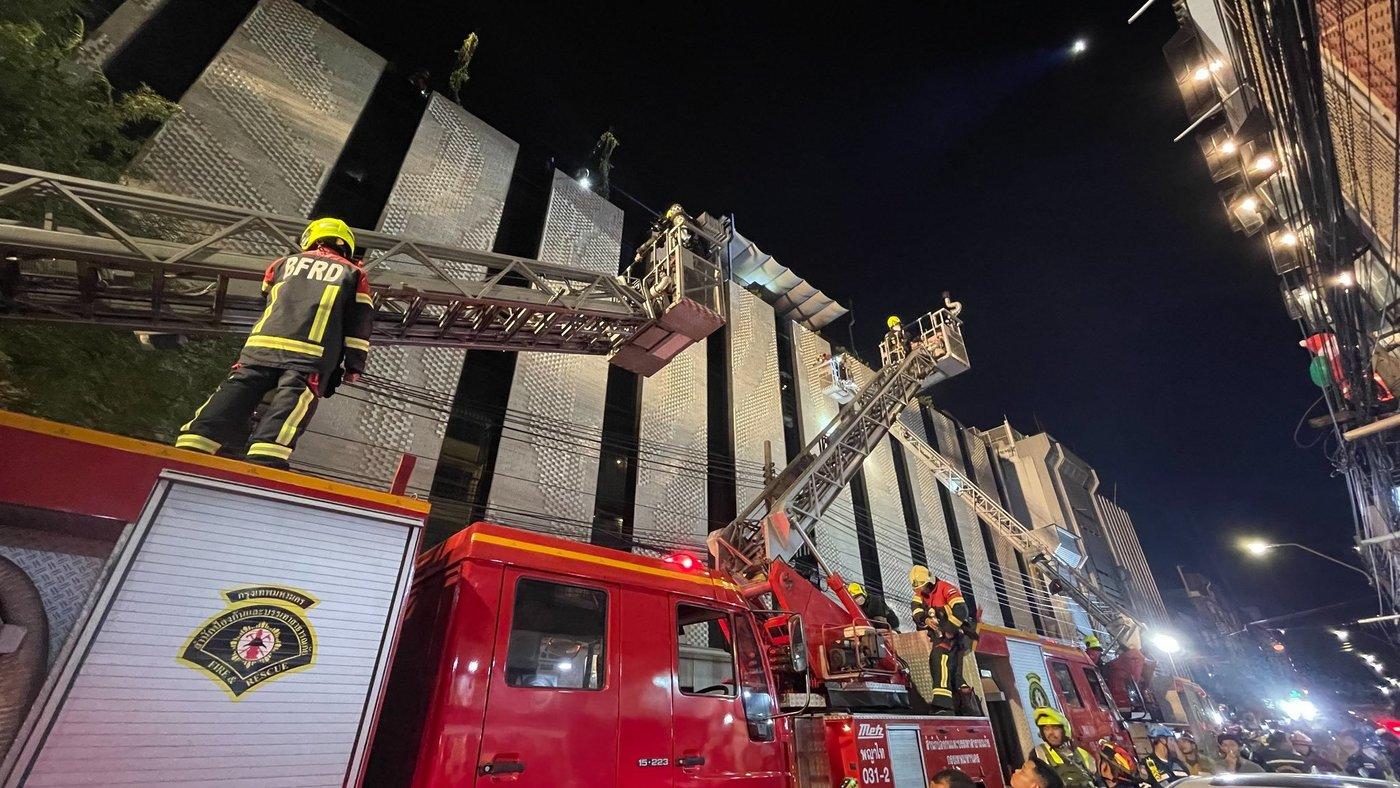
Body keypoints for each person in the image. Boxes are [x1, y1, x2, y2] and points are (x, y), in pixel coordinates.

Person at [176, 218, 372, 469]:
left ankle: (196, 440)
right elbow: (360, 324)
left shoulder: (281, 264)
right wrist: (354, 366)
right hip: (309, 352)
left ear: (310, 238)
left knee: (238, 389)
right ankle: (267, 455)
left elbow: (266, 293)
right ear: (347, 245)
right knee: (291, 401)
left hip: (260, 347)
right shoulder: (354, 274)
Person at [910, 565, 976, 715]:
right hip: (940, 635)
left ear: (930, 581)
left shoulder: (946, 588)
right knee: (953, 673)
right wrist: (925, 619)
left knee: (939, 658)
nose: (921, 591)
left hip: (956, 634)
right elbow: (916, 610)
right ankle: (966, 706)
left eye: (923, 586)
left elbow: (961, 610)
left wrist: (949, 630)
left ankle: (943, 704)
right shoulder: (920, 593)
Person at [1031, 707, 1098, 788]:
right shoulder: (1038, 753)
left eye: (1055, 728)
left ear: (1064, 730)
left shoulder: (1081, 753)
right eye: (1046, 729)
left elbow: (1097, 780)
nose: (1050, 733)